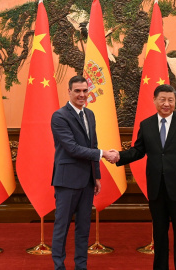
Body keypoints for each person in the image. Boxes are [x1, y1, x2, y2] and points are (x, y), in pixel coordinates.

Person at [116, 84, 176, 270]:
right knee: (159, 234)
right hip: (156, 188)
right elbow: (138, 151)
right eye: (162, 100)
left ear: (175, 101)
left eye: (170, 100)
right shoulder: (146, 125)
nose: (166, 104)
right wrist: (118, 156)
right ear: (154, 100)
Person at [51, 75, 118, 270]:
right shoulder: (59, 116)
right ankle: (59, 266)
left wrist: (96, 176)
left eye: (84, 91)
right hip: (67, 181)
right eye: (77, 91)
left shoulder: (90, 114)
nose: (82, 95)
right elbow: (72, 148)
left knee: (83, 228)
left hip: (87, 181)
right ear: (69, 91)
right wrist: (104, 154)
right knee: (62, 227)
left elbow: (92, 145)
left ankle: (81, 266)